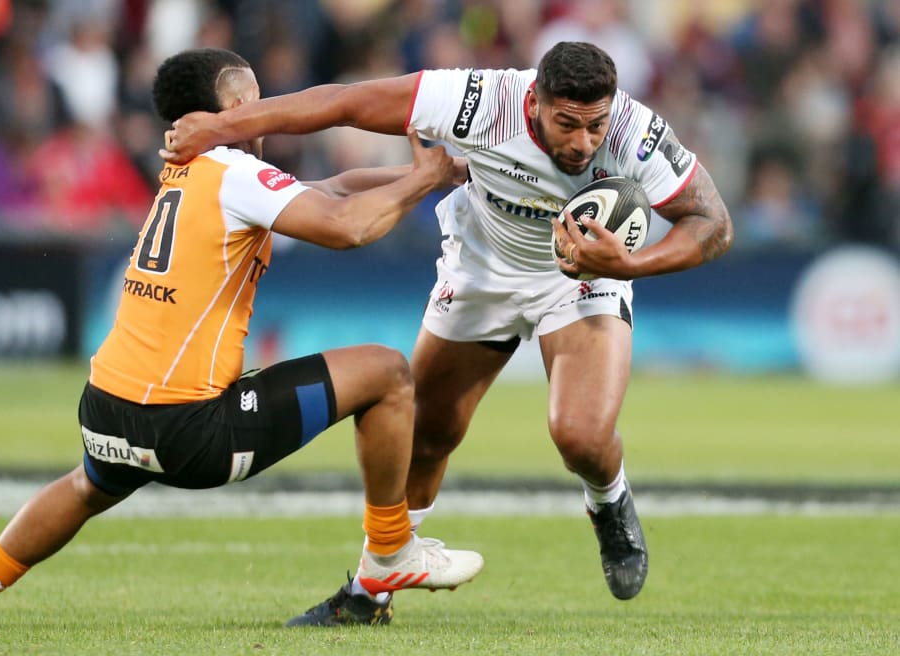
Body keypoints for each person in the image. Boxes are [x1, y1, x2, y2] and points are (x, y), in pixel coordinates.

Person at [160, 41, 734, 625]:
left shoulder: (635, 131)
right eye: (567, 125)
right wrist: (224, 127)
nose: (584, 144)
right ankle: (369, 594)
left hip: (583, 275)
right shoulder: (483, 101)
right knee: (426, 435)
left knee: (580, 436)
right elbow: (346, 103)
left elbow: (713, 222)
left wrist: (629, 266)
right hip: (482, 270)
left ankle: (609, 501)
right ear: (535, 102)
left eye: (595, 126)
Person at [0, 47, 484, 629]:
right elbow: (349, 226)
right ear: (236, 107)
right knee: (387, 373)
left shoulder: (188, 173)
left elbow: (334, 187)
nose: (273, 113)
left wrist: (439, 175)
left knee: (87, 486)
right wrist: (423, 183)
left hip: (106, 411)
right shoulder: (236, 173)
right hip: (191, 432)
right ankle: (390, 550)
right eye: (260, 99)